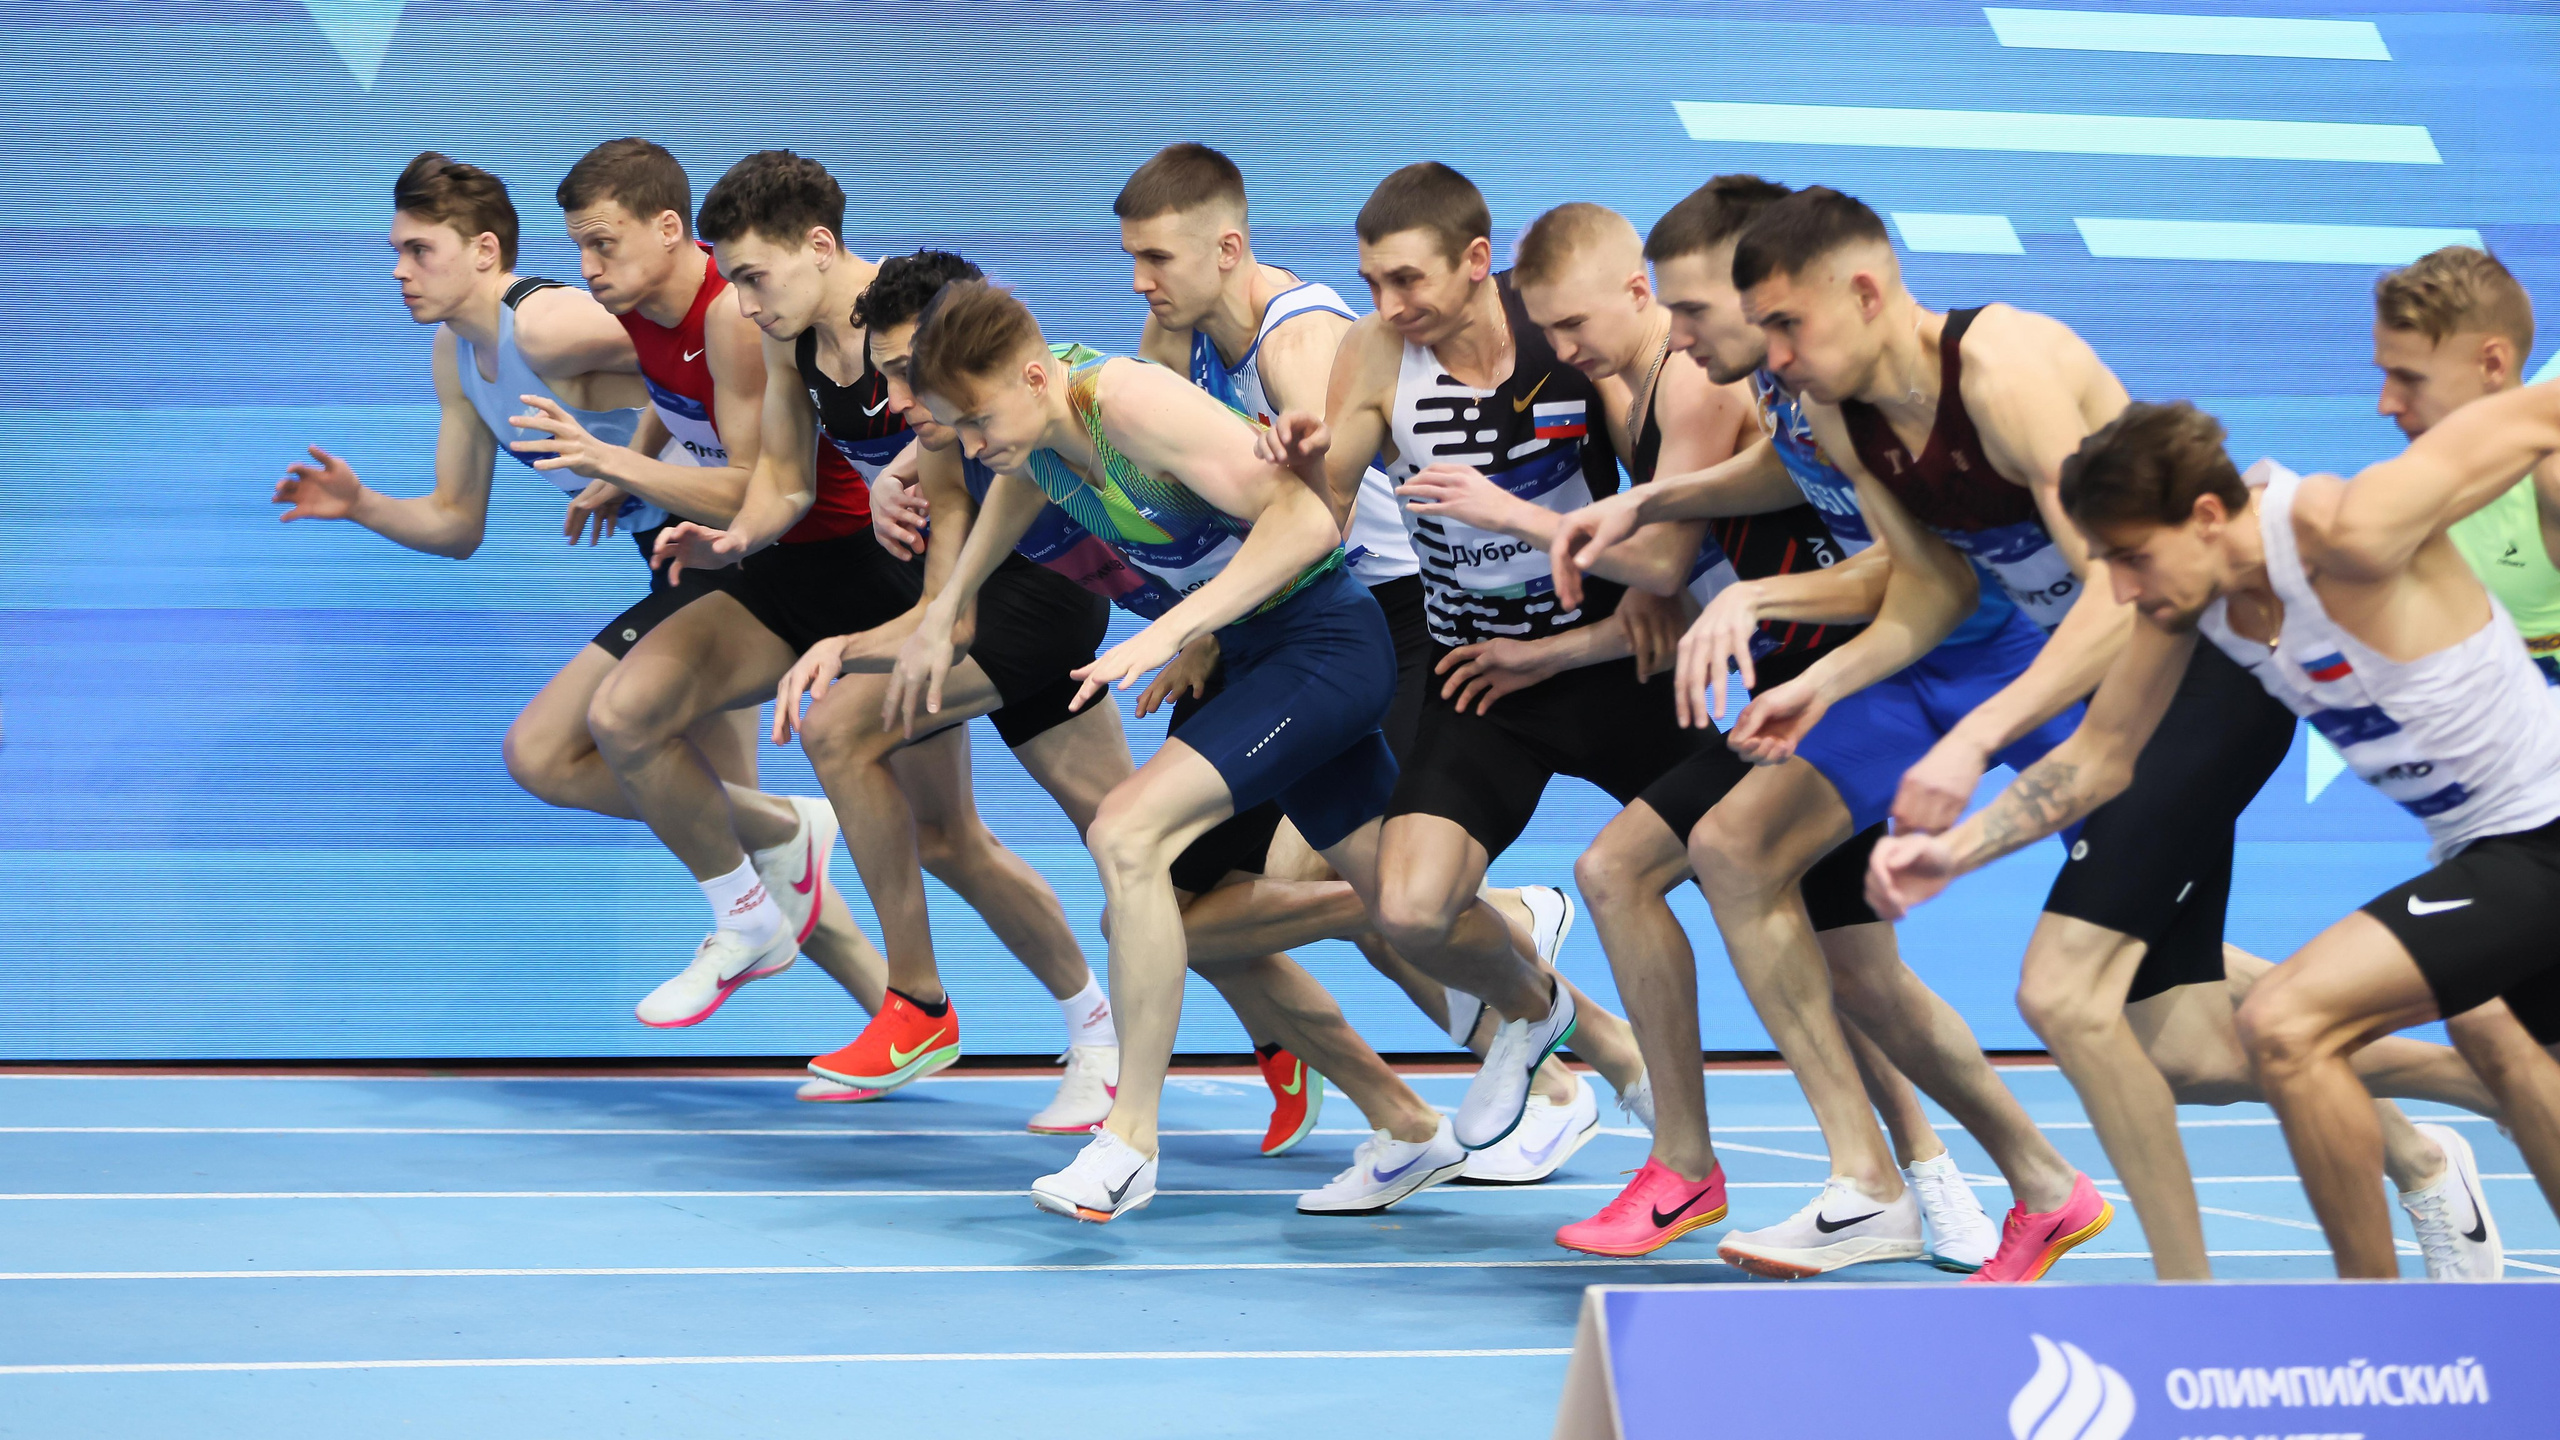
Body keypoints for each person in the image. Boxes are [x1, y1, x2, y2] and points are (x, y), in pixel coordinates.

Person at [1394, 193, 1997, 1264]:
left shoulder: (1702, 388)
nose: (1563, 350)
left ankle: (1780, 1171)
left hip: (1835, 682)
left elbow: (1666, 562)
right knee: (1836, 964)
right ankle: (1921, 1181)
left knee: (1750, 924)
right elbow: (1657, 603)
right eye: (1551, 332)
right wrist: (1550, 653)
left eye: (1577, 326)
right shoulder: (1646, 399)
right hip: (1793, 677)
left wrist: (1527, 516)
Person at [833, 250, 1483, 1208]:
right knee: (1365, 891)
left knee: (1135, 841)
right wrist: (945, 608)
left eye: (949, 403)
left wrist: (1184, 629)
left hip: (1320, 637)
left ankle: (1131, 1138)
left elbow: (1307, 521)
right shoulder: (1029, 445)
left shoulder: (1126, 398)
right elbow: (1019, 495)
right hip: (1246, 650)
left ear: (1024, 365)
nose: (953, 434)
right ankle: (1468, 1085)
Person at [1551, 185, 2115, 1281]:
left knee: (2169, 1010)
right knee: (1733, 857)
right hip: (1913, 662)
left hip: (2033, 668)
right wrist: (1669, 512)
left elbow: (1992, 581)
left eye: (1703, 311)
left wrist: (1757, 602)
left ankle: (2402, 1140)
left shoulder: (1973, 372)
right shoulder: (1812, 390)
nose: (1685, 337)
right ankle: (1877, 1183)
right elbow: (1910, 567)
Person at [1869, 385, 2560, 1278]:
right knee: (2510, 1058)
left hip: (2543, 837)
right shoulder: (2191, 606)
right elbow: (2099, 757)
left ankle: (2378, 1335)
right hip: (2483, 851)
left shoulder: (2346, 526)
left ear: (2204, 516)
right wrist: (1952, 853)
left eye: (2129, 558)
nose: (2117, 590)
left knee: (2287, 1023)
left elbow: (2537, 416)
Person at [272, 151, 888, 1050]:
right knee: (739, 854)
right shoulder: (458, 357)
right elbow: (455, 523)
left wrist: (633, 465)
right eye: (394, 253)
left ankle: (797, 837)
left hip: (724, 549)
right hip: (672, 550)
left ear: (485, 251)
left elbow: (707, 340)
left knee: (552, 755)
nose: (399, 272)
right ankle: (897, 1019)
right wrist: (362, 505)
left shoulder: (553, 322)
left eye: (418, 250)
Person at [1114, 142, 1609, 1181]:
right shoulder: (1189, 336)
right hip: (1264, 623)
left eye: (1156, 258)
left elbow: (1319, 524)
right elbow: (1157, 470)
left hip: (1373, 617)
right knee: (1176, 901)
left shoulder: (1306, 342)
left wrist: (1197, 626)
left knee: (1373, 889)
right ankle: (1448, 1050)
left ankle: (1551, 1067)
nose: (1139, 280)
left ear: (1229, 247)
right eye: (1132, 259)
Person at [1258, 162, 1666, 1167]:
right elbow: (1327, 506)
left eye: (1406, 282)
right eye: (1372, 285)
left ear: (1478, 262)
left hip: (1608, 661)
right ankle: (1533, 1012)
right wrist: (1298, 462)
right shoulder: (1376, 351)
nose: (1389, 306)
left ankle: (1891, 1159)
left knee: (1760, 882)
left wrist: (1619, 595)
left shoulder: (1569, 343)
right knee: (1406, 907)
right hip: (1475, 669)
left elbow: (1663, 527)